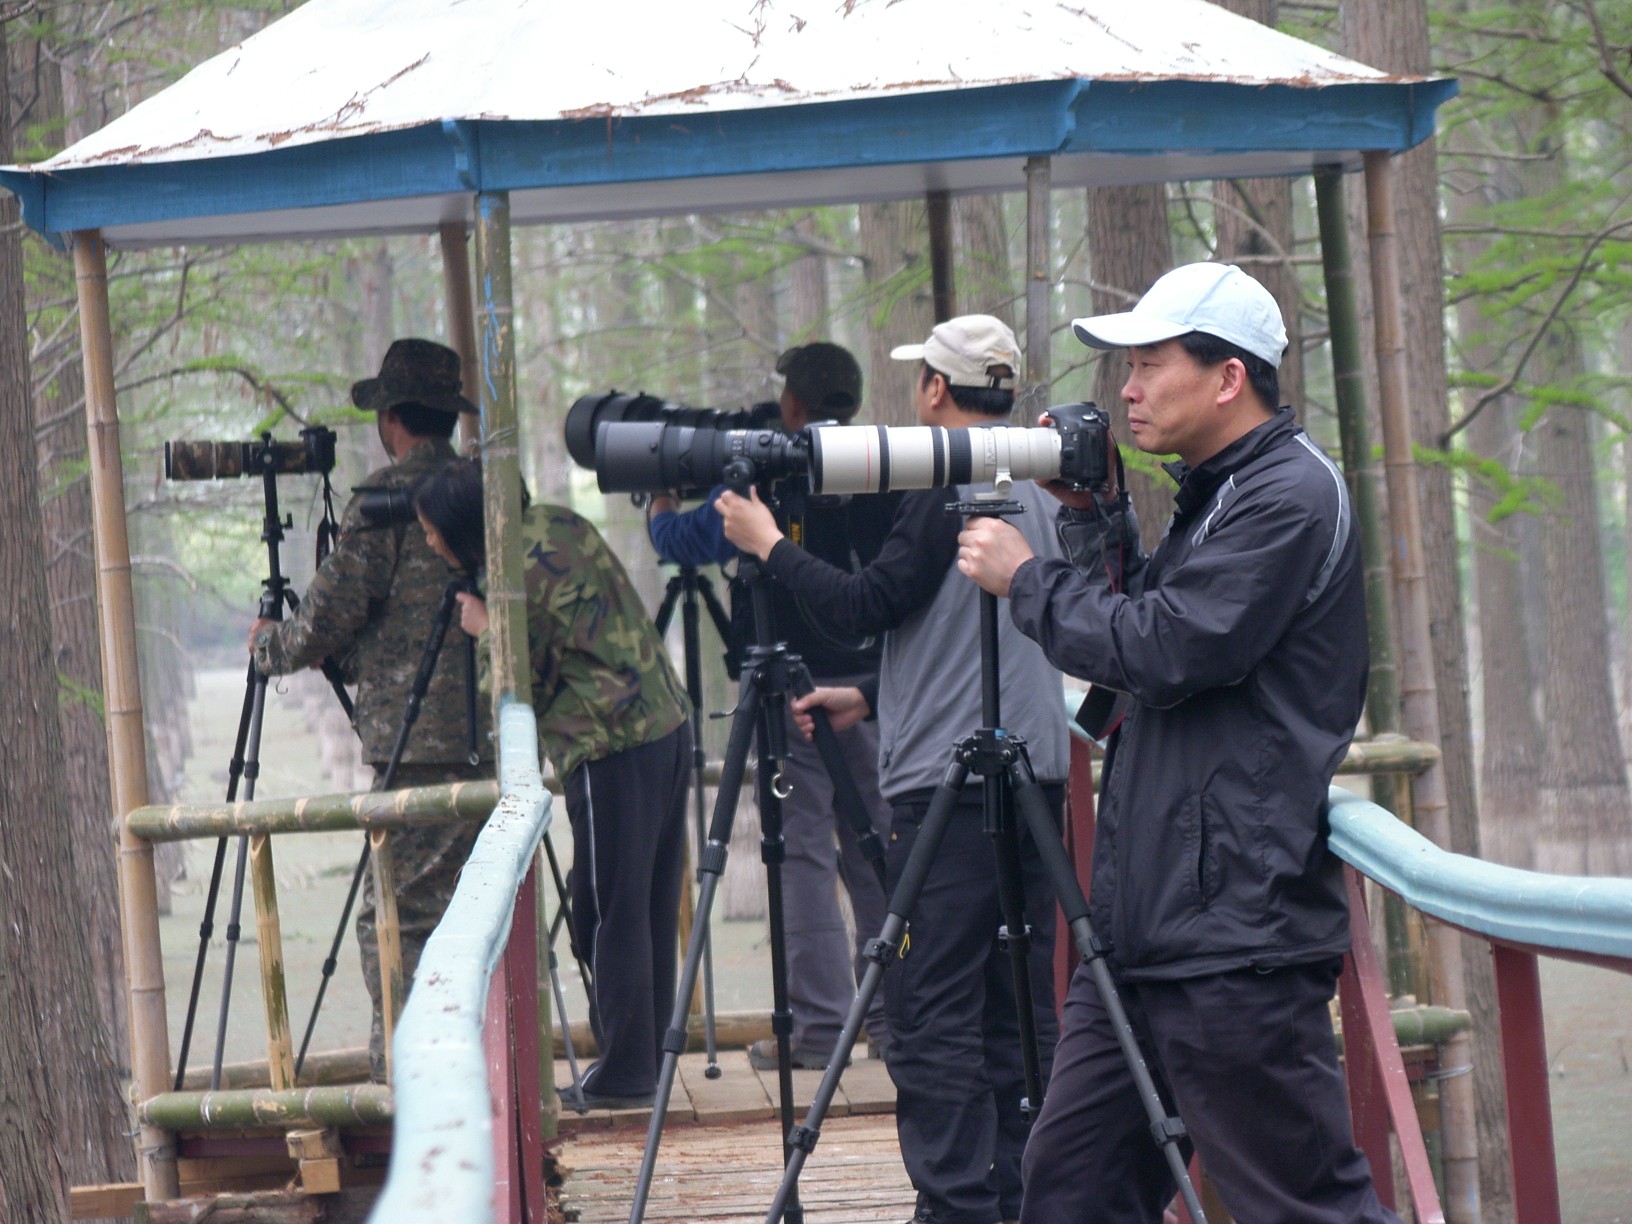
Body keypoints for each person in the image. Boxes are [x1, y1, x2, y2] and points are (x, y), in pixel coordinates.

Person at [955, 263, 1392, 1223]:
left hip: (1237, 935)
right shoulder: (1221, 491)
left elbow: (1169, 647)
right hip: (1154, 926)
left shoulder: (1287, 496)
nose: (1129, 390)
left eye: (1151, 365)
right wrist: (1095, 519)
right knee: (1070, 1192)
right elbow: (1149, 630)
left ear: (1228, 377)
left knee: (1302, 1205)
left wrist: (1026, 579)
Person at [717, 316, 1069, 1224]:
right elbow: (972, 617)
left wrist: (768, 544)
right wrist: (869, 697)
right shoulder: (1040, 475)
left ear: (935, 392)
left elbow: (869, 601)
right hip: (1036, 778)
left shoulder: (938, 474)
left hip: (947, 790)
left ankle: (954, 1207)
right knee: (1017, 1008)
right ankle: (1015, 1194)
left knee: (930, 1010)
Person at [647, 342, 899, 1070]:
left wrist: (660, 503)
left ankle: (820, 1030)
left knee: (800, 861)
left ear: (792, 404)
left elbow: (687, 541)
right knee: (877, 855)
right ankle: (892, 1022)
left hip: (792, 695)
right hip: (871, 690)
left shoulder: (767, 470)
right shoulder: (883, 465)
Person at [413, 458, 691, 1110]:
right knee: (645, 906)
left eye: (432, 532)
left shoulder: (515, 582)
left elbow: (513, 688)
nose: (429, 544)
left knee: (604, 913)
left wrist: (485, 632)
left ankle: (625, 1074)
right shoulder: (556, 523)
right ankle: (642, 1065)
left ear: (462, 527)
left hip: (610, 744)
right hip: (663, 728)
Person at [248, 337, 490, 1080]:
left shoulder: (386, 504)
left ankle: (410, 1073)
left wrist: (268, 644)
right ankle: (492, 1061)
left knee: (392, 917)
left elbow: (324, 622)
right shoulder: (489, 490)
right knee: (489, 909)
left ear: (389, 418)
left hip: (416, 744)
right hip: (494, 732)